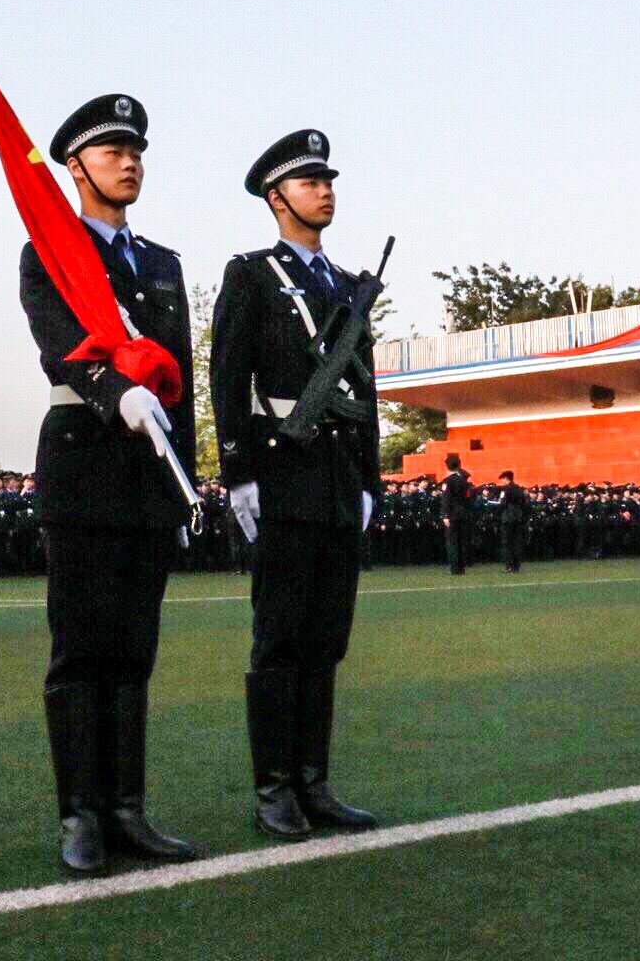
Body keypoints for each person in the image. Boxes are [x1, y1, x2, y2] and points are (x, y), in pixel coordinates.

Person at [19, 91, 202, 875]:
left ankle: (128, 808)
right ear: (75, 167)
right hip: (84, 462)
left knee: (134, 651)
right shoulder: (49, 250)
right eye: (110, 152)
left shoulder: (161, 263)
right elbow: (60, 345)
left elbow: (180, 382)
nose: (128, 163)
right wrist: (110, 392)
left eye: (136, 152)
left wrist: (185, 482)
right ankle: (80, 815)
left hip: (146, 477)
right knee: (81, 650)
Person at [211, 127, 380, 843]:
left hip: (339, 481)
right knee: (278, 639)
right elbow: (228, 377)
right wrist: (238, 473)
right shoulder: (251, 275)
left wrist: (370, 477)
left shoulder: (346, 286)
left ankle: (314, 780)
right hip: (282, 476)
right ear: (277, 197)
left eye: (329, 180)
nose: (326, 191)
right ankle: (274, 787)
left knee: (326, 641)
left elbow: (366, 389)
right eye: (311, 182)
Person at [440, 454, 472, 574]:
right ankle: (462, 567)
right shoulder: (464, 482)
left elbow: (446, 499)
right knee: (462, 541)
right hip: (463, 514)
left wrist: (445, 515)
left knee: (452, 542)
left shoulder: (448, 482)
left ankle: (454, 568)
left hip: (452, 515)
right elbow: (468, 498)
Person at [494, 470, 528, 573]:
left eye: (503, 479)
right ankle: (516, 566)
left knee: (507, 543)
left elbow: (502, 504)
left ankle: (509, 566)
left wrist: (496, 513)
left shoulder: (505, 490)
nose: (502, 481)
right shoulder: (519, 489)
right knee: (517, 542)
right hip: (518, 518)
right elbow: (524, 504)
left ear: (506, 478)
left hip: (508, 518)